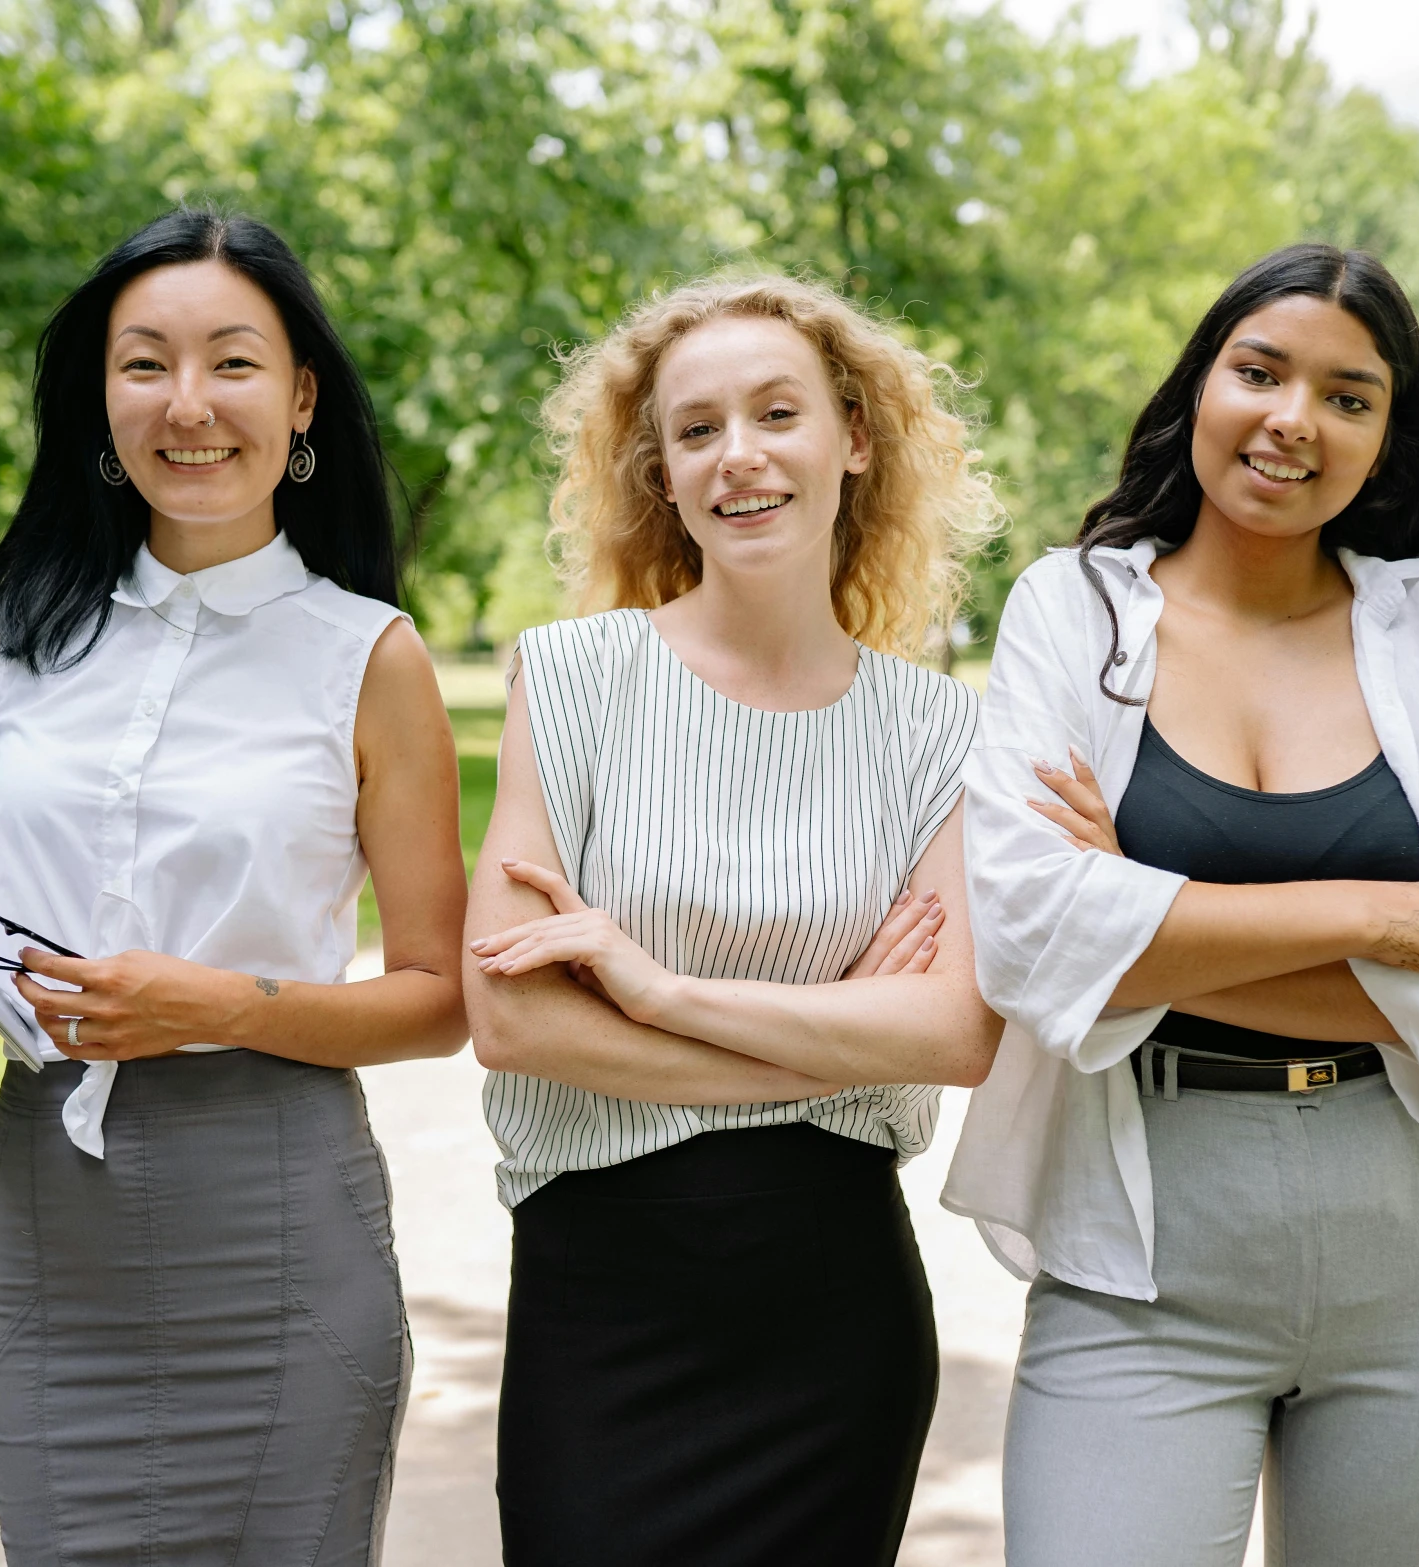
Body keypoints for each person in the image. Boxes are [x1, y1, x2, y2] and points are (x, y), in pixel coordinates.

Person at [944, 243, 1419, 1567]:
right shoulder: (1072, 612)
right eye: (1258, 371)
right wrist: (1387, 919)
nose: (1292, 419)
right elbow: (1030, 940)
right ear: (1198, 385)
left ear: (1386, 438)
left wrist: (1139, 920)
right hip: (1141, 1254)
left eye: (1348, 395)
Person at [0, 208, 468, 1567]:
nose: (186, 404)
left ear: (301, 395)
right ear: (100, 395)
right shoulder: (3, 644)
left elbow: (441, 999)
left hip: (277, 1210)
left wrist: (223, 1003)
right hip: (52, 1220)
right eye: (144, 363)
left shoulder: (370, 657)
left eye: (232, 363)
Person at [463, 273, 1005, 1566]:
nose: (739, 455)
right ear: (658, 470)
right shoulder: (575, 678)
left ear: (854, 440)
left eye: (777, 412)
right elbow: (508, 1013)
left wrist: (653, 992)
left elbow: (949, 1029)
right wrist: (832, 1034)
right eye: (696, 428)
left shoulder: (940, 731)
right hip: (602, 1297)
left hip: (830, 1313)